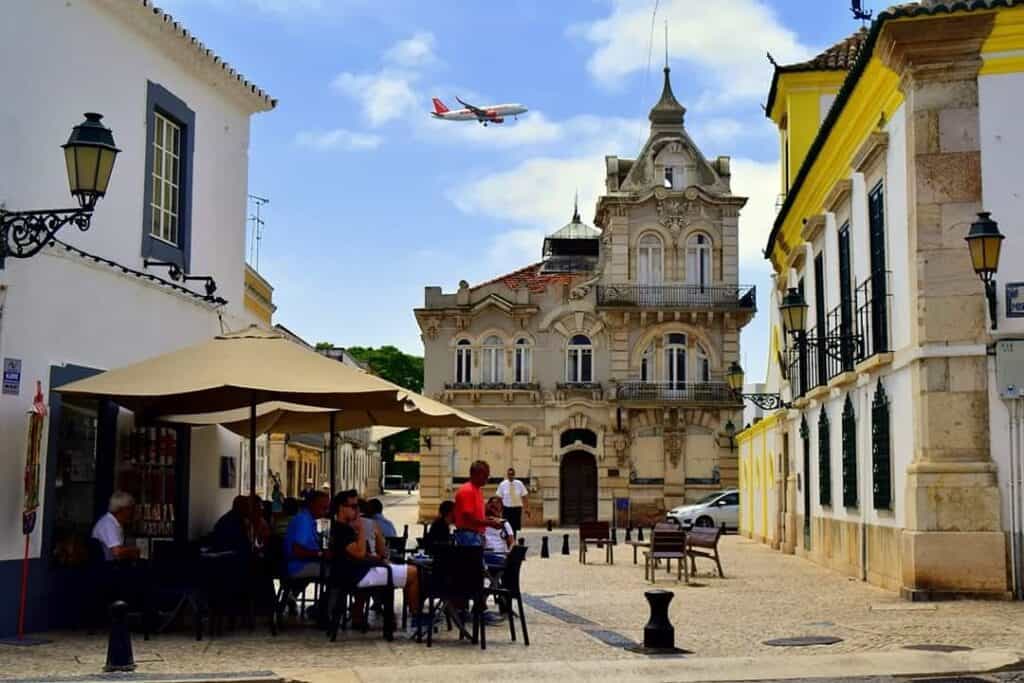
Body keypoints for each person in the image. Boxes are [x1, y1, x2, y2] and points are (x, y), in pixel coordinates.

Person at [330, 489, 423, 631]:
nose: (357, 510)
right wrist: (361, 530)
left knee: (400, 571)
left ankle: (393, 616)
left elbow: (359, 554)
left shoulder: (340, 528)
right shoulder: (343, 530)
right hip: (359, 574)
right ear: (342, 508)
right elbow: (360, 553)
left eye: (358, 507)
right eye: (353, 507)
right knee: (414, 572)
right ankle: (416, 617)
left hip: (359, 571)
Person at [453, 460, 504, 546]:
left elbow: (477, 516)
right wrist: (490, 523)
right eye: (486, 475)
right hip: (468, 535)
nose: (487, 478)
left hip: (476, 535)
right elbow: (469, 519)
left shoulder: (478, 490)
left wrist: (490, 519)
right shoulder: (468, 490)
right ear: (476, 474)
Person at [284, 491, 331, 579]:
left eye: (327, 508)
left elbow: (325, 547)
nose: (326, 511)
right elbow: (297, 550)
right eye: (323, 508)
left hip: (311, 562)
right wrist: (320, 554)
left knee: (340, 569)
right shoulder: (304, 520)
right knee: (338, 572)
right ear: (312, 505)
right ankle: (331, 593)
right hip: (299, 566)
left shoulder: (319, 521)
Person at [92, 491, 141, 561]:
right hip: (106, 567)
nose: (131, 513)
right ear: (122, 509)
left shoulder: (115, 523)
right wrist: (134, 550)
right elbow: (117, 552)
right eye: (130, 509)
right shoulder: (108, 523)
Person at [496, 468, 530, 534]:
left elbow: (525, 496)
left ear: (514, 475)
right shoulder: (503, 484)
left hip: (516, 508)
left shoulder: (519, 483)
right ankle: (508, 541)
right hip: (506, 509)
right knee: (506, 526)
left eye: (512, 474)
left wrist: (527, 508)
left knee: (514, 527)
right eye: (509, 474)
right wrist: (499, 509)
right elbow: (499, 497)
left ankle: (513, 541)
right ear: (507, 475)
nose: (511, 476)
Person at [482, 497, 514, 568]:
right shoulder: (482, 522)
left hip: (490, 558)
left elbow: (511, 543)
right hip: (495, 557)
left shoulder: (504, 523)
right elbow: (512, 543)